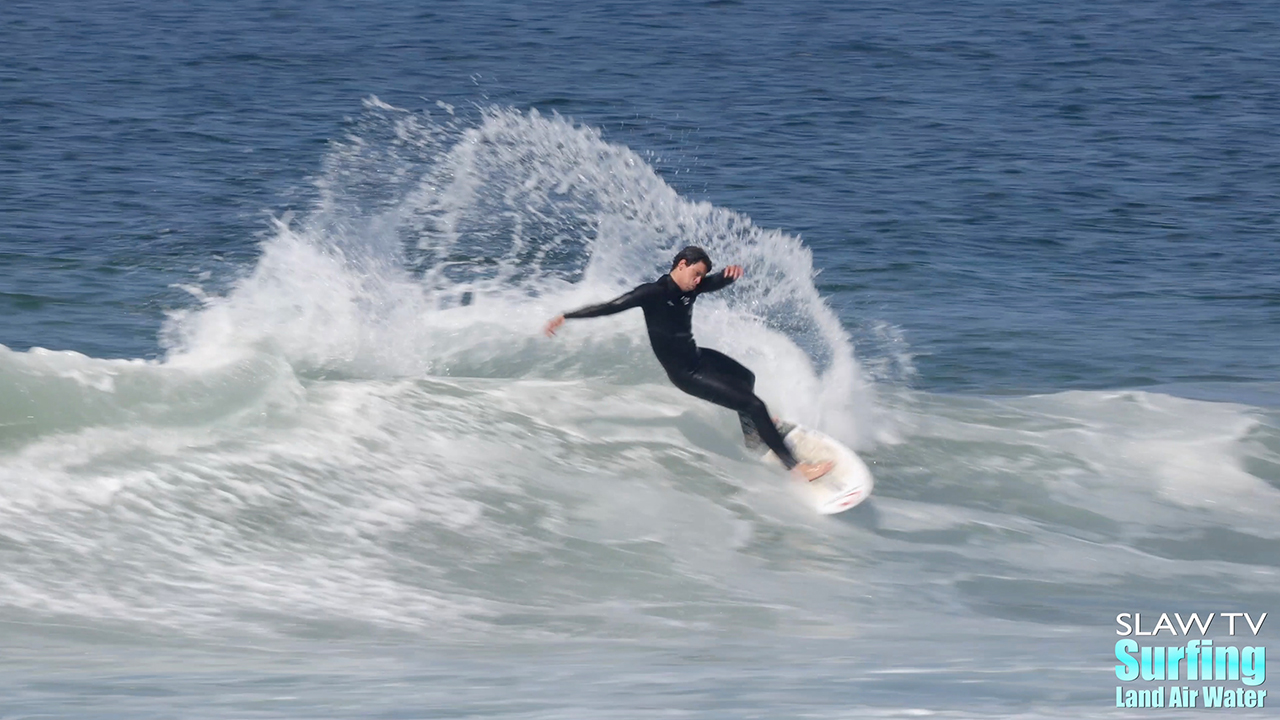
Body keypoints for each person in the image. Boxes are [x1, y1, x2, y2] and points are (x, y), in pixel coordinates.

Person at [544, 246, 833, 482]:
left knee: (746, 376)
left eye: (701, 276)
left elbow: (713, 283)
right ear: (681, 264)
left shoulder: (691, 288)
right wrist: (567, 316)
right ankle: (797, 470)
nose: (698, 281)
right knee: (755, 405)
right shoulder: (652, 294)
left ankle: (753, 436)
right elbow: (610, 307)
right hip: (686, 373)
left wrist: (727, 277)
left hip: (697, 356)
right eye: (696, 274)